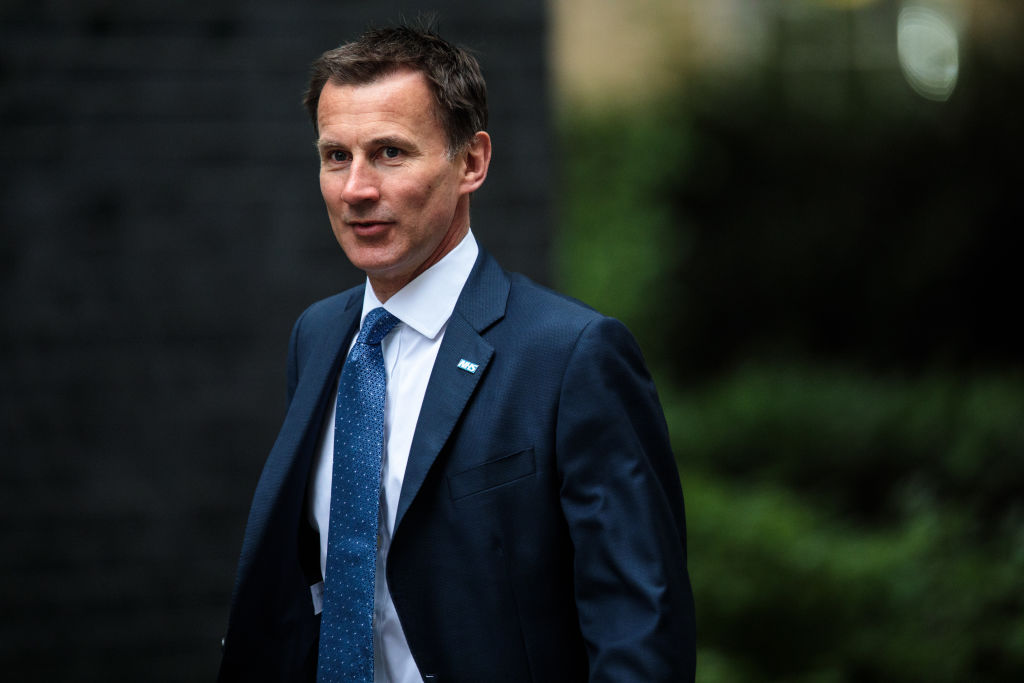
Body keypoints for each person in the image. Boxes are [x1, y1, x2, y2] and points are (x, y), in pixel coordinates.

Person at [218, 24, 696, 683]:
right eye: (336, 156)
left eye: (389, 152)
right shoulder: (319, 337)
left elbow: (641, 634)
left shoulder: (572, 356)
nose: (356, 188)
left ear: (471, 162)